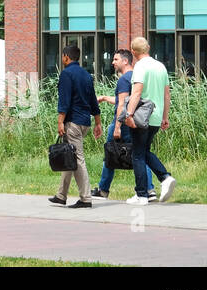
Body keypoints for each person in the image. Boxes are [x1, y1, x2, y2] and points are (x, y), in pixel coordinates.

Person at [49, 44, 101, 208]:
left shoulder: (67, 74)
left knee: (77, 159)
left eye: (62, 56)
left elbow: (64, 100)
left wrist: (60, 121)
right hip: (85, 122)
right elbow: (93, 100)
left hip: (73, 123)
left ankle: (86, 198)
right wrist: (98, 122)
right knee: (69, 156)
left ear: (66, 56)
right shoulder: (86, 74)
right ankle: (61, 195)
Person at [125, 36, 176, 205]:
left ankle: (142, 194)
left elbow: (137, 92)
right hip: (156, 116)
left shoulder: (140, 66)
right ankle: (164, 178)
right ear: (147, 48)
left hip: (141, 116)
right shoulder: (160, 66)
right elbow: (166, 94)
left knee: (137, 155)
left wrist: (129, 114)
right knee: (144, 151)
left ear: (133, 51)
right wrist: (165, 117)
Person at [93, 48, 144, 200]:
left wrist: (117, 126)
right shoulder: (136, 77)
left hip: (122, 123)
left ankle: (103, 190)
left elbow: (121, 104)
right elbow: (127, 100)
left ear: (125, 61)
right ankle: (149, 189)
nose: (113, 62)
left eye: (115, 59)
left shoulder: (123, 79)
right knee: (139, 155)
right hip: (135, 121)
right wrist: (104, 98)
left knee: (109, 154)